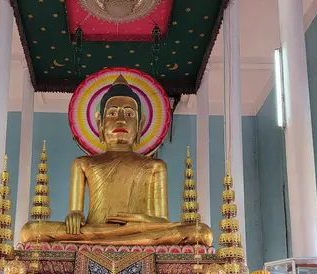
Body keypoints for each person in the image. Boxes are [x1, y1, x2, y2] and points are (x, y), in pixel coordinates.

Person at [20, 75, 213, 246]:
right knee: (31, 230)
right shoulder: (83, 163)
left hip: (138, 231)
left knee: (201, 232)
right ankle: (120, 240)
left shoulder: (155, 166)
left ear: (140, 124)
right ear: (100, 123)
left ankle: (121, 238)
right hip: (96, 231)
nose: (121, 120)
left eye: (129, 114)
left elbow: (162, 221)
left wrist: (140, 220)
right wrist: (75, 215)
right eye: (112, 113)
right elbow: (75, 213)